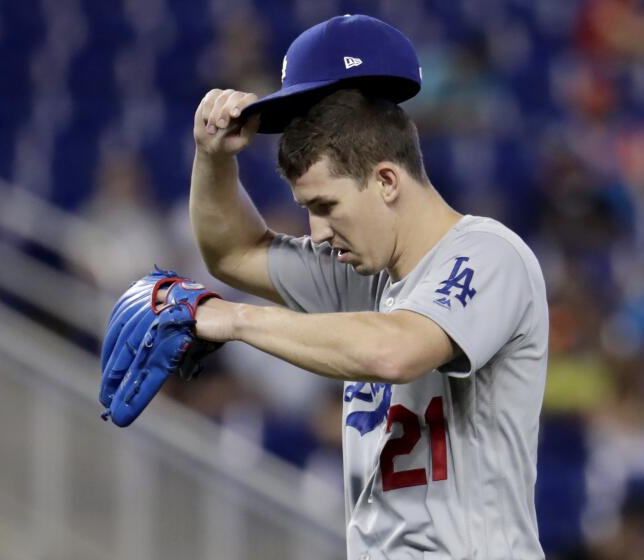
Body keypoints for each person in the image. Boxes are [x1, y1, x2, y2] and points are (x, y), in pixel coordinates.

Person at [187, 14, 548, 560]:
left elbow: (395, 350)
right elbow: (233, 253)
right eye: (308, 211)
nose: (318, 234)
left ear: (385, 180)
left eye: (326, 208)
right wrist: (212, 159)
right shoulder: (362, 275)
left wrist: (236, 319)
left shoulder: (489, 254)